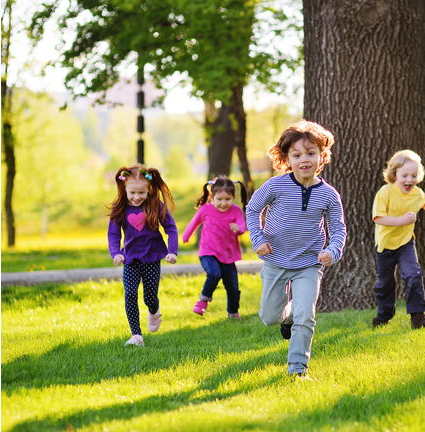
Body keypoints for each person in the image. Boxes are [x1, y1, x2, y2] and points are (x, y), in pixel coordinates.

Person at [246, 120, 347, 379]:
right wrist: (258, 240)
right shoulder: (274, 186)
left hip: (309, 264)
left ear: (321, 157)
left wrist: (332, 251)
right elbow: (252, 209)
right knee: (270, 317)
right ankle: (287, 314)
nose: (305, 159)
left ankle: (297, 369)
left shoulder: (329, 194)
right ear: (287, 159)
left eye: (311, 153)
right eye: (297, 154)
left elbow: (338, 229)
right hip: (276, 259)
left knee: (307, 316)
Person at [371, 150, 425, 329]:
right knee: (385, 284)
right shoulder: (385, 192)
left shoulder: (416, 192)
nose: (409, 180)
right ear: (394, 174)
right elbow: (378, 218)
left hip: (405, 243)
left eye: (414, 175)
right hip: (385, 246)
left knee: (413, 274)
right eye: (404, 175)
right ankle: (384, 315)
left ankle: (418, 316)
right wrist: (402, 221)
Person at [107, 164, 179, 347]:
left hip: (152, 258)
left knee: (150, 297)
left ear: (149, 189)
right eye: (132, 193)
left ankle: (154, 311)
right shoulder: (120, 208)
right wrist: (115, 253)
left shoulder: (156, 206)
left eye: (141, 193)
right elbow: (113, 234)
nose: (136, 197)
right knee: (130, 294)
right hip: (130, 259)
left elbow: (171, 228)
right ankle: (136, 335)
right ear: (124, 189)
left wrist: (172, 251)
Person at [182, 175, 248, 319]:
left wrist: (238, 228)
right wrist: (186, 236)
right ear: (212, 197)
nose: (223, 203)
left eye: (228, 199)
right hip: (208, 252)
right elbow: (194, 223)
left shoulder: (235, 210)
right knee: (214, 273)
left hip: (228, 255)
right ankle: (203, 300)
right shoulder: (205, 209)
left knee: (233, 289)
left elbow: (242, 226)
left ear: (234, 197)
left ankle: (233, 313)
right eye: (219, 199)